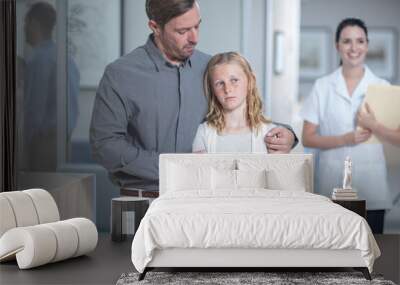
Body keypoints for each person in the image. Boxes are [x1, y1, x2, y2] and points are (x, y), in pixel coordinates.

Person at [90, 0, 297, 193]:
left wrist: (285, 134)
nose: (194, 38)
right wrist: (175, 166)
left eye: (197, 26)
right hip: (144, 200)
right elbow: (105, 146)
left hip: (204, 200)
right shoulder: (120, 74)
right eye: (183, 31)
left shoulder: (211, 69)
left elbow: (241, 114)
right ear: (155, 27)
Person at [300, 18, 392, 233]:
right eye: (347, 41)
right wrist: (345, 139)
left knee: (373, 256)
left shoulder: (382, 87)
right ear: (337, 46)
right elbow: (307, 137)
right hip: (331, 186)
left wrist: (374, 126)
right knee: (333, 256)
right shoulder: (322, 86)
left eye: (360, 41)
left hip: (373, 187)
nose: (354, 48)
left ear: (367, 45)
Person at [23, 2, 80, 170]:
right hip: (63, 142)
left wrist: (23, 146)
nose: (23, 28)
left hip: (44, 144)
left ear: (33, 23)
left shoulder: (39, 59)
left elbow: (34, 109)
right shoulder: (66, 58)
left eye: (25, 23)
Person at [192, 52, 277, 153]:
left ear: (251, 81)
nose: (227, 89)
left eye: (234, 80)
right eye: (220, 83)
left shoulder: (270, 133)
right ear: (212, 89)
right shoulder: (203, 133)